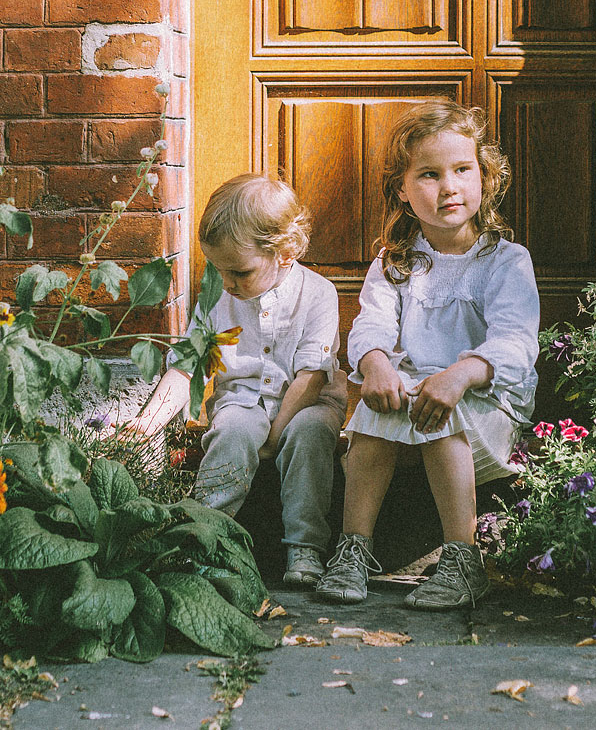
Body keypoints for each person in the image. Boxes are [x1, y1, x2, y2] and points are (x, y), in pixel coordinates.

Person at [316, 100, 539, 610]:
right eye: (430, 175)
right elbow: (371, 321)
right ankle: (354, 550)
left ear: (484, 176)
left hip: (487, 403)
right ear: (403, 189)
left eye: (463, 170)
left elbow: (516, 342)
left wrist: (462, 373)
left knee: (441, 411)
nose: (449, 187)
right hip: (416, 394)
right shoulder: (397, 262)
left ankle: (463, 559)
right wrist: (374, 363)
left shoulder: (505, 262)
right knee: (375, 414)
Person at [125, 173, 347, 588]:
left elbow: (312, 377)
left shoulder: (318, 293)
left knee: (310, 434)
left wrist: (275, 435)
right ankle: (203, 533)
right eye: (217, 269)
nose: (226, 282)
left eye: (240, 272)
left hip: (309, 400)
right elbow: (187, 365)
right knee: (230, 430)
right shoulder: (218, 294)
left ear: (285, 252)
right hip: (243, 399)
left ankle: (306, 545)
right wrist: (149, 422)